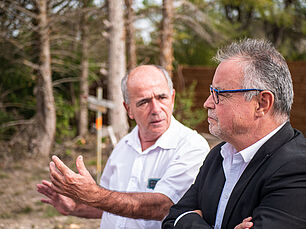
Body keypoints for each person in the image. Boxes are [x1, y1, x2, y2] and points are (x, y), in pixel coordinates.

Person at [37, 65, 210, 229]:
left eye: (162, 97)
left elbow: (164, 207)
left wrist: (94, 194)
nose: (156, 109)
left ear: (172, 98)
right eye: (144, 102)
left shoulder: (192, 146)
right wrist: (75, 207)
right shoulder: (123, 145)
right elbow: (109, 204)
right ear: (128, 109)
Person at [162, 38, 306, 229]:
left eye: (219, 94)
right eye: (211, 91)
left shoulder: (297, 169)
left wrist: (188, 221)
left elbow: (181, 218)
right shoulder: (219, 155)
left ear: (262, 103)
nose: (207, 103)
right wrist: (183, 218)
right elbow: (172, 219)